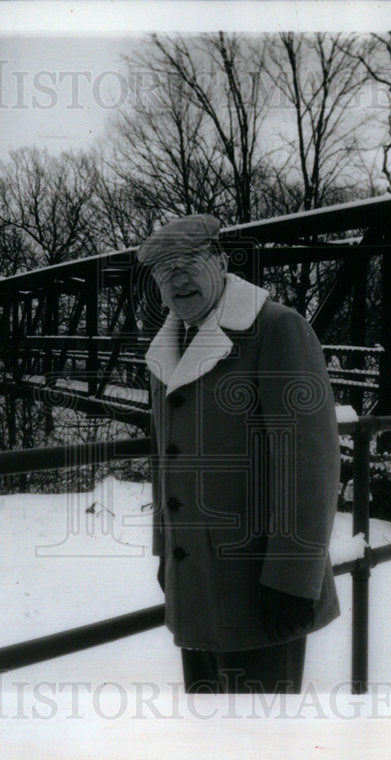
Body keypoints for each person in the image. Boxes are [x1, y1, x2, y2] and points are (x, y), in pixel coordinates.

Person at [139, 214, 341, 694]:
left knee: (262, 746)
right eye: (164, 271)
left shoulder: (276, 329)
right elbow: (165, 458)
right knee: (213, 741)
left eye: (188, 263)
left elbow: (310, 465)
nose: (176, 279)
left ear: (222, 261)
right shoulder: (170, 344)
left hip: (263, 591)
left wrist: (292, 580)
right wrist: (166, 556)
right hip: (196, 584)